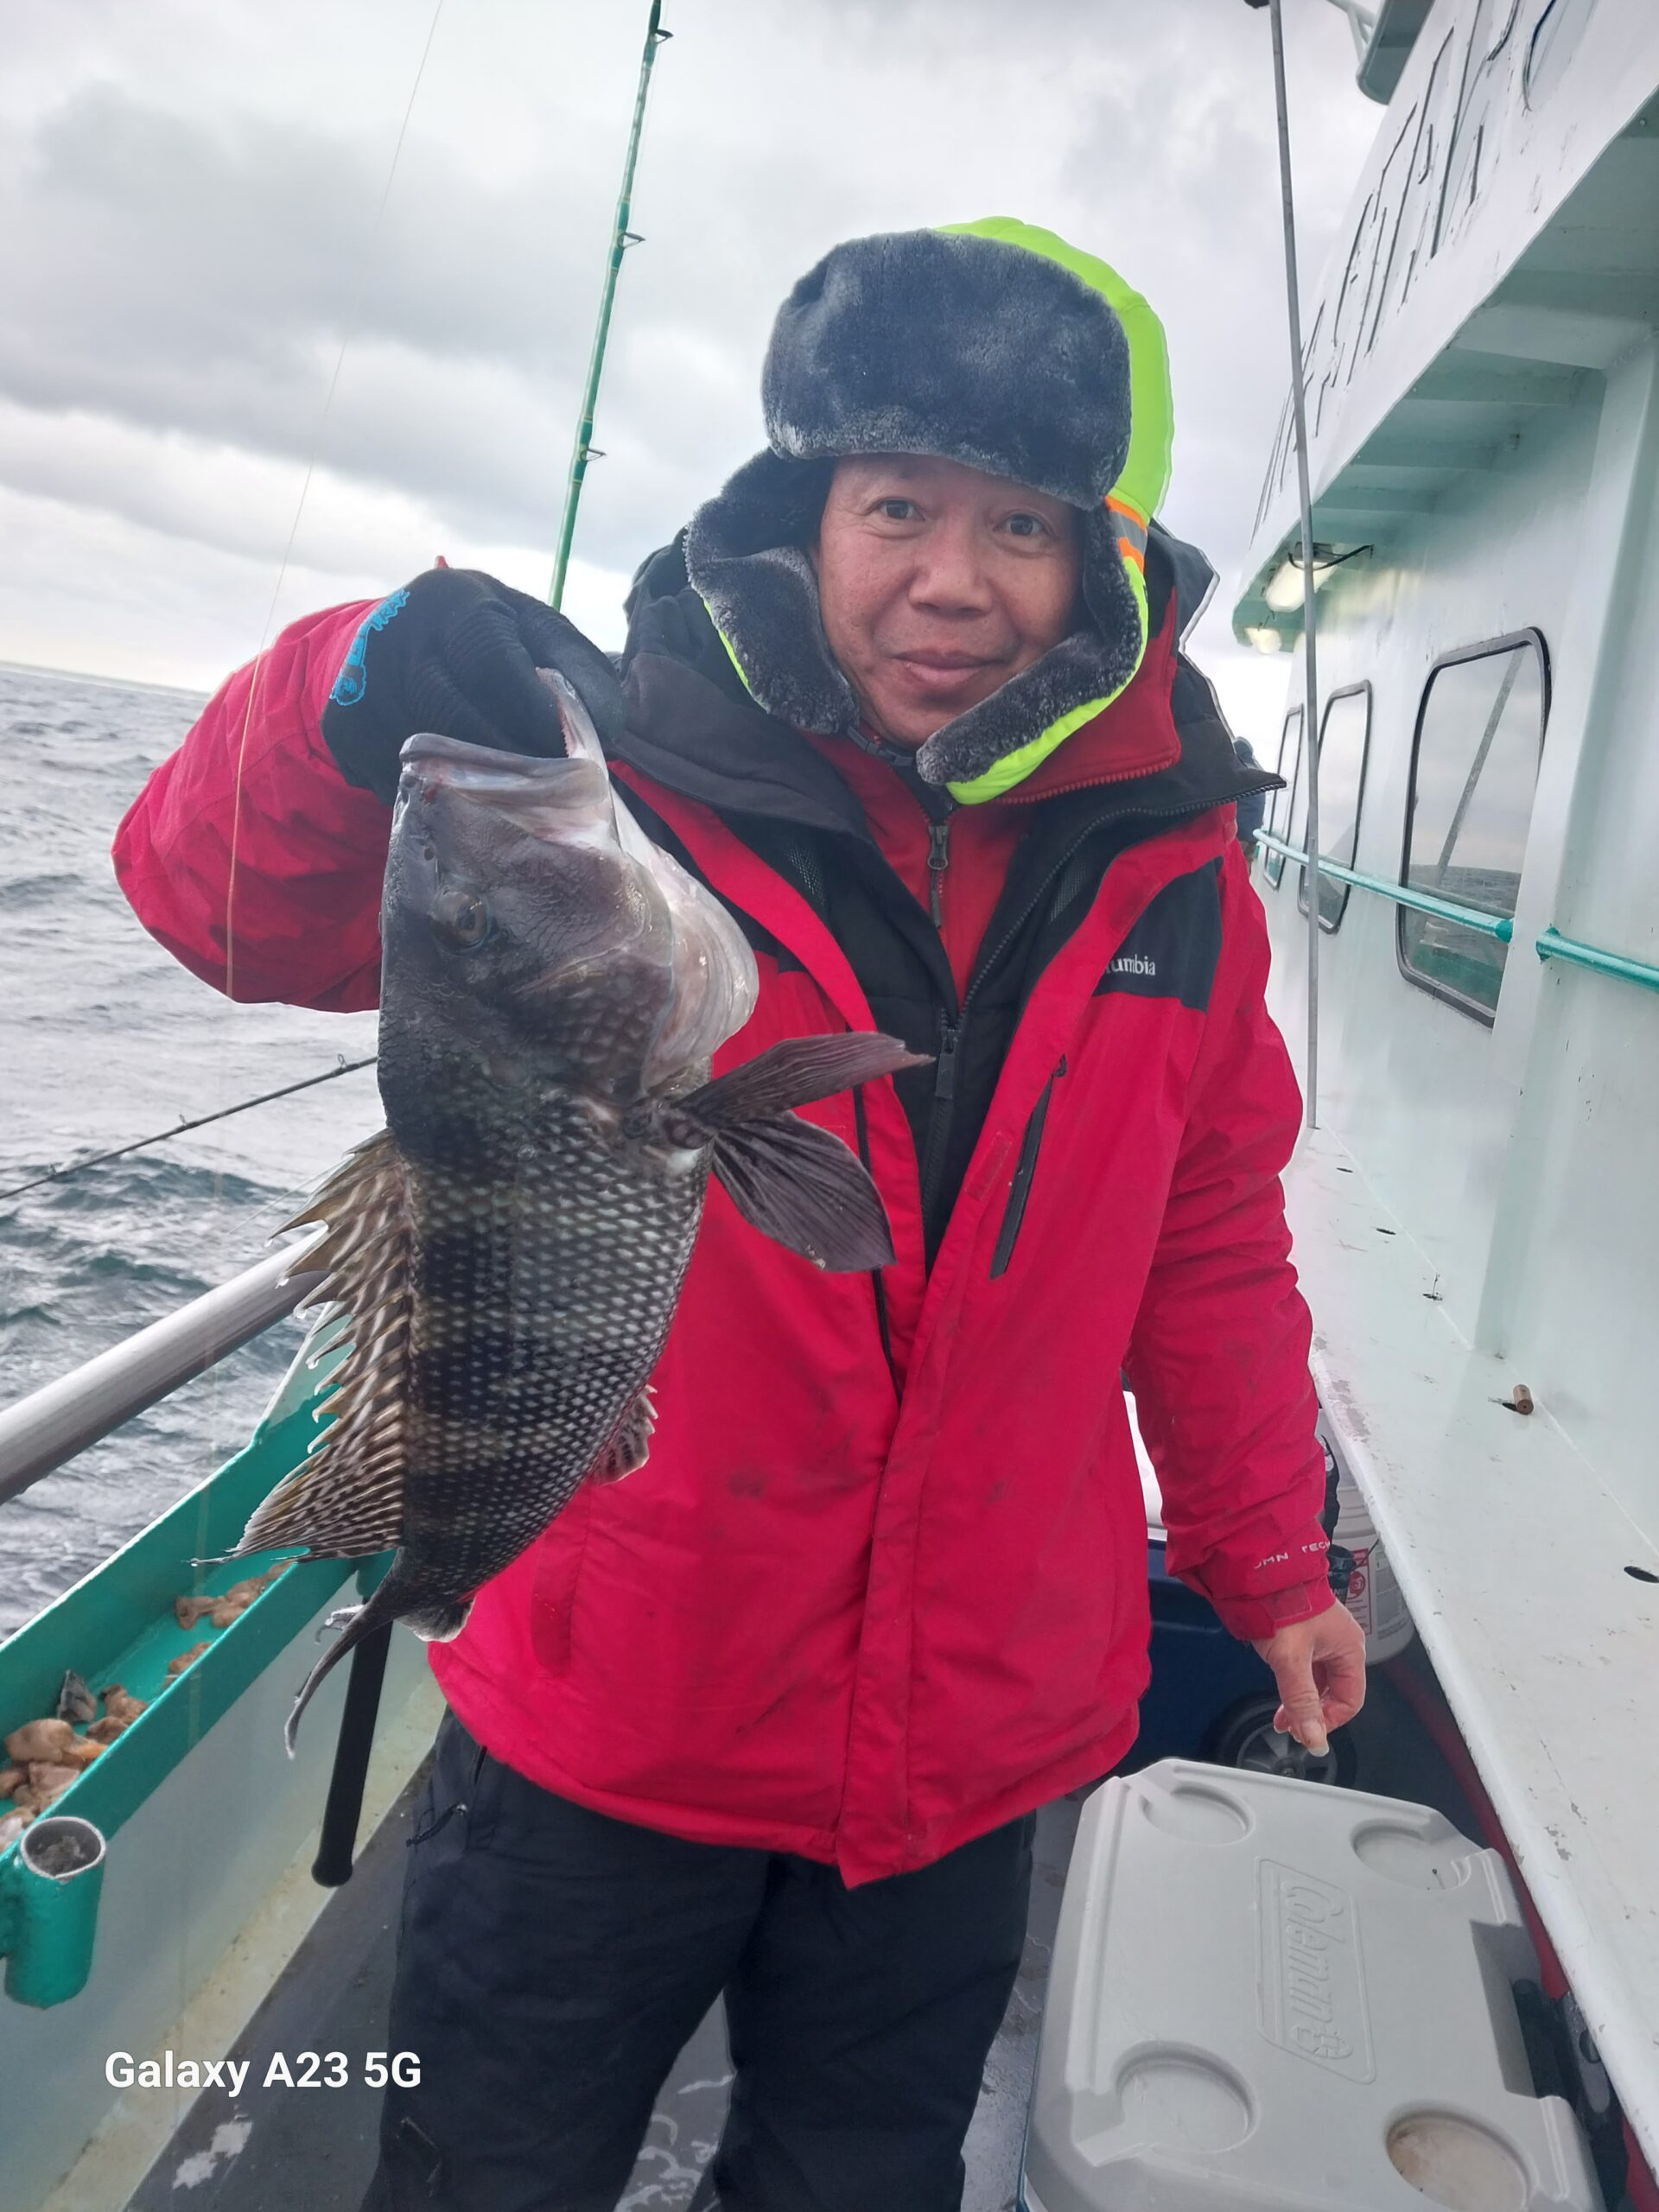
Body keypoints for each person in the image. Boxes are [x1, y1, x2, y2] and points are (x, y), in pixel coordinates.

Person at [114, 218, 1366, 2212]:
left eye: (1021, 523)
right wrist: (341, 698)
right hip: (618, 1712)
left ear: (1100, 555)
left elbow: (1207, 1229)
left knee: (859, 2179)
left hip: (976, 1734)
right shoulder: (619, 783)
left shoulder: (1178, 858)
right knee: (483, 2174)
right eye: (896, 504)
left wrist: (1269, 1554)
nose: (953, 578)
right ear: (804, 512)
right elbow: (212, 908)